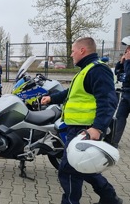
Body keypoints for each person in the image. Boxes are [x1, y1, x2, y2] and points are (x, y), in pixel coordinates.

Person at [41, 37, 122, 204]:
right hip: (77, 128)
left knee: (68, 170)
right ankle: (109, 198)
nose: (71, 54)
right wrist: (51, 98)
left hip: (85, 129)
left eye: (73, 50)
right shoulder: (86, 70)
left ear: (82, 50)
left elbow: (108, 101)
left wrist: (97, 128)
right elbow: (70, 94)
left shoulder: (98, 70)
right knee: (84, 167)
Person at [112, 36, 130, 148]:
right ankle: (114, 142)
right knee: (120, 117)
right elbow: (118, 72)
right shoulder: (127, 60)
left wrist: (127, 62)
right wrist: (121, 62)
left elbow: (129, 76)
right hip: (126, 93)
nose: (127, 50)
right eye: (127, 48)